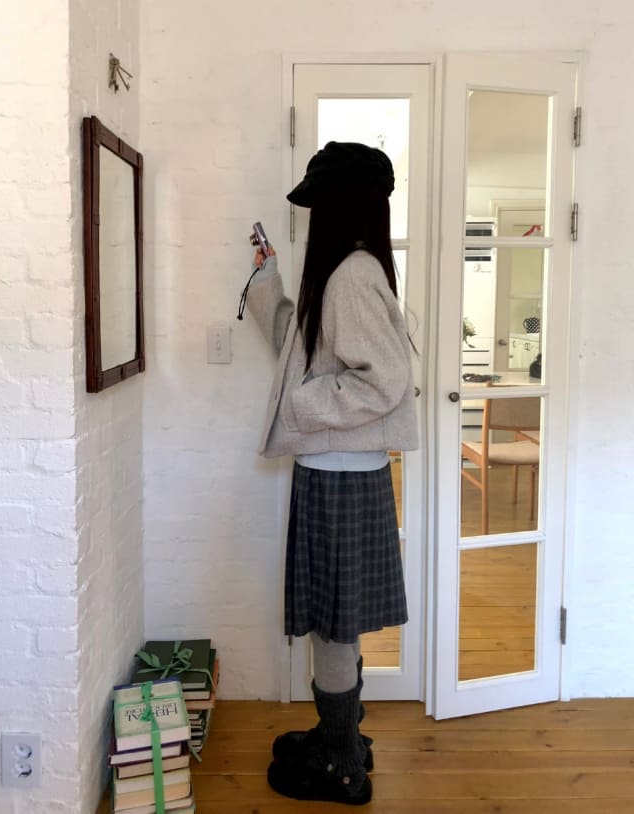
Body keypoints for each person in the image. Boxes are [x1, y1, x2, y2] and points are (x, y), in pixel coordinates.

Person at [243, 141, 419, 805]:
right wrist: (268, 282)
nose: (313, 215)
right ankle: (339, 735)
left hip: (340, 475)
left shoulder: (350, 275)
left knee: (333, 623)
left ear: (339, 205)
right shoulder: (347, 274)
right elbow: (302, 349)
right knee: (334, 619)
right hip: (339, 471)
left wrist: (303, 403)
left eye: (319, 203)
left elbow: (385, 380)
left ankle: (343, 762)